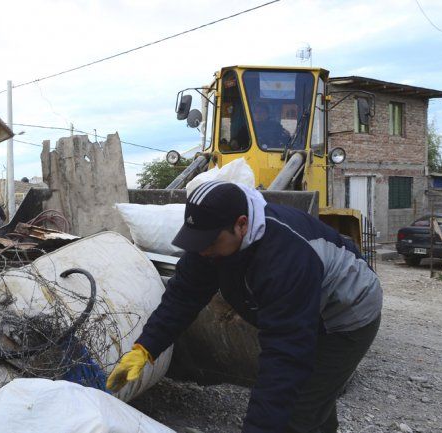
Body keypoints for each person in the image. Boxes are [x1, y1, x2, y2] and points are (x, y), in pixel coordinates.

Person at [106, 181, 382, 433]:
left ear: (242, 224)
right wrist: (147, 347)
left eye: (210, 243)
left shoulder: (285, 256)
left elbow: (284, 356)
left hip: (346, 316)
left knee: (298, 411)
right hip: (304, 310)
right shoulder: (210, 240)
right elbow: (183, 296)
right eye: (197, 242)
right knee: (313, 398)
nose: (202, 251)